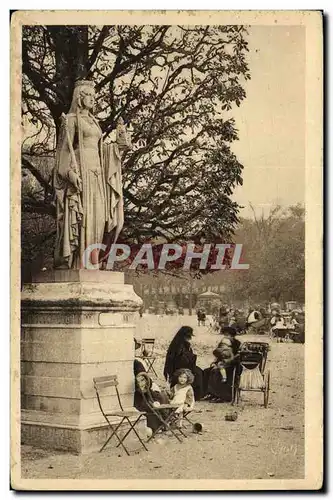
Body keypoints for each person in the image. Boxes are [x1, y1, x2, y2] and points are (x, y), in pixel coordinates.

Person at [53, 79, 130, 268]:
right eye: (90, 96)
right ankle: (82, 262)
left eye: (95, 96)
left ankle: (94, 260)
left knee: (99, 218)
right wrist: (70, 174)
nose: (94, 99)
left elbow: (101, 149)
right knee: (85, 217)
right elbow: (63, 154)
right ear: (80, 97)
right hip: (82, 173)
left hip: (97, 174)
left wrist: (117, 147)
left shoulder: (94, 122)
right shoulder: (71, 121)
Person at [163, 326, 203, 400]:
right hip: (179, 368)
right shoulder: (180, 345)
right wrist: (192, 356)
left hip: (181, 366)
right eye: (189, 336)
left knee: (199, 371)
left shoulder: (178, 343)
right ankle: (194, 395)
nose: (190, 338)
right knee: (198, 373)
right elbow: (182, 360)